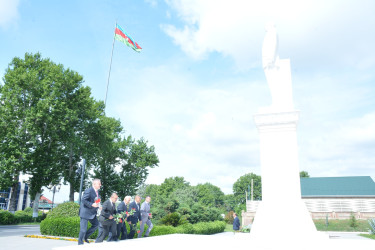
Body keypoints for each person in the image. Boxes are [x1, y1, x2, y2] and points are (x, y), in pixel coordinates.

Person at [78, 179, 101, 245]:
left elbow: (96, 202)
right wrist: (91, 204)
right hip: (85, 212)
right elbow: (83, 200)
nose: (100, 185)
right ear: (94, 184)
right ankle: (80, 244)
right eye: (99, 184)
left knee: (96, 224)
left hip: (92, 213)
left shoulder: (97, 192)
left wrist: (99, 206)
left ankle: (85, 237)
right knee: (83, 230)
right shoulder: (89, 190)